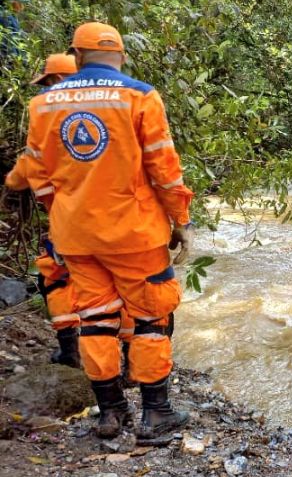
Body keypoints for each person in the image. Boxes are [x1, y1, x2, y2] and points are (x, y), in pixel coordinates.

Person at [21, 22, 194, 442]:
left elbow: (38, 176)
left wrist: (65, 213)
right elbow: (163, 168)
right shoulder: (139, 96)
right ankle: (156, 415)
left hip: (75, 236)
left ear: (76, 56)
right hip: (135, 232)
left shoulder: (43, 104)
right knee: (152, 316)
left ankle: (110, 413)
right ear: (121, 56)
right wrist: (181, 221)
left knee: (95, 318)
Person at [4, 53, 80, 367]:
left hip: (69, 219)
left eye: (47, 82)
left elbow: (31, 164)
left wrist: (13, 181)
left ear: (58, 80)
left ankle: (71, 351)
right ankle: (130, 363)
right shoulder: (105, 111)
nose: (44, 90)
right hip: (112, 217)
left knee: (56, 278)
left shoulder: (48, 112)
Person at [0, 0, 28, 66]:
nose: (21, 6)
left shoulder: (12, 16)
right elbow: (8, 41)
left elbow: (17, 39)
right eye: (18, 3)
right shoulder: (4, 17)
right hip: (6, 62)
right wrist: (13, 60)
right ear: (9, 3)